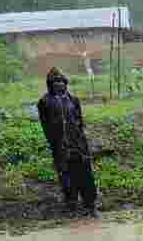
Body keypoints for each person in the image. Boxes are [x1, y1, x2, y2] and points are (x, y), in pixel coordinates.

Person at [37, 67, 98, 217]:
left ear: (66, 83)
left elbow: (79, 122)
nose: (59, 84)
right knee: (66, 176)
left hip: (78, 144)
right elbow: (46, 126)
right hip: (60, 146)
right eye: (55, 81)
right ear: (50, 84)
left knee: (85, 174)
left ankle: (90, 205)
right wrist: (55, 143)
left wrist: (82, 142)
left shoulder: (73, 100)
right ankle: (71, 205)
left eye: (61, 81)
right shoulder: (44, 102)